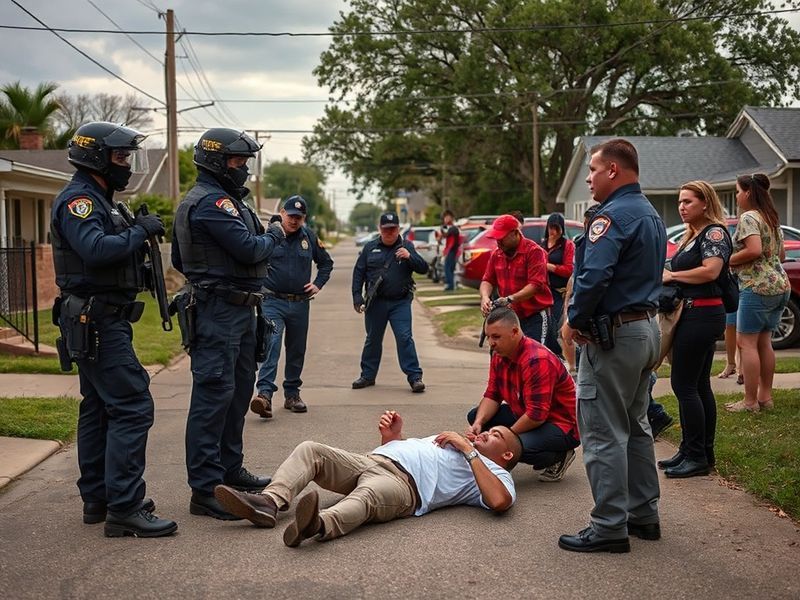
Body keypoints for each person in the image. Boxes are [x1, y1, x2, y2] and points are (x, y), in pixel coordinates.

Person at [51, 121, 176, 537]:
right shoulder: (80, 201)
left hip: (99, 317)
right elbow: (95, 249)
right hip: (98, 320)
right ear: (96, 158)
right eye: (121, 157)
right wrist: (140, 231)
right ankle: (125, 506)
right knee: (132, 405)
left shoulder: (102, 200)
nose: (126, 164)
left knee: (100, 407)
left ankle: (99, 498)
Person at [561, 138, 665, 553]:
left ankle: (608, 526)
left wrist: (575, 321)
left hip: (615, 336)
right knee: (636, 426)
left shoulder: (613, 216)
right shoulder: (650, 213)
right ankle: (644, 515)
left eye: (592, 170)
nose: (587, 178)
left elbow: (594, 277)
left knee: (604, 432)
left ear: (613, 171)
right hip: (645, 331)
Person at [172, 128, 280, 519]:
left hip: (239, 310)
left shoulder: (228, 201)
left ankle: (230, 472)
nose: (245, 169)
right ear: (218, 162)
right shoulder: (211, 202)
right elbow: (251, 248)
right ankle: (205, 490)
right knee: (213, 397)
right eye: (239, 162)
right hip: (218, 312)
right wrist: (275, 233)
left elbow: (180, 261)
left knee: (236, 395)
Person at [212, 410, 520, 546]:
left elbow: (499, 502)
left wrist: (469, 449)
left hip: (404, 488)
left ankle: (317, 525)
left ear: (506, 455)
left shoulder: (494, 473)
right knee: (312, 450)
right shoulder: (462, 447)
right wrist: (393, 438)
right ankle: (269, 502)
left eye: (495, 435)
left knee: (368, 497)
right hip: (372, 460)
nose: (485, 434)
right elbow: (417, 454)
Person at [658, 181, 730, 477]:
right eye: (679, 202)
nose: (682, 207)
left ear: (705, 202)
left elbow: (711, 270)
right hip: (695, 314)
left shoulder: (714, 232)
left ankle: (697, 455)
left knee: (684, 385)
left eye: (688, 201)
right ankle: (695, 450)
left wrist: (672, 275)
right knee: (699, 385)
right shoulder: (694, 235)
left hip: (702, 314)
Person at [466, 307, 579, 482]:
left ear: (515, 332)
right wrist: (479, 424)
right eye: (488, 336)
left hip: (561, 424)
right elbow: (492, 394)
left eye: (496, 337)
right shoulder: (499, 355)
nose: (491, 343)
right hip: (527, 412)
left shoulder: (536, 360)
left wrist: (502, 438)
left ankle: (559, 455)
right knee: (475, 416)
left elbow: (536, 416)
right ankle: (507, 445)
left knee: (507, 446)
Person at [251, 195, 334, 417]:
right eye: (291, 216)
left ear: (304, 218)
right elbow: (252, 259)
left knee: (297, 350)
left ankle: (292, 395)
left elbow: (326, 263)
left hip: (300, 303)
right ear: (283, 213)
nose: (294, 221)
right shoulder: (269, 235)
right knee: (272, 344)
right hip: (272, 301)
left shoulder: (309, 237)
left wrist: (318, 284)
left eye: (299, 217)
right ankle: (265, 395)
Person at [725, 173, 790, 412]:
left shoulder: (749, 217)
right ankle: (766, 398)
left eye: (738, 191)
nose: (737, 195)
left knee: (747, 343)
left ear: (749, 192)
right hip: (779, 285)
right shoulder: (771, 217)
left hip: (757, 286)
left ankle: (750, 401)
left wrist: (727, 260)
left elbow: (753, 249)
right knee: (764, 342)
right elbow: (780, 256)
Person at [351, 211, 428, 392]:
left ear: (398, 229)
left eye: (393, 229)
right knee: (373, 339)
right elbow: (358, 273)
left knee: (404, 338)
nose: (389, 233)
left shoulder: (406, 245)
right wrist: (356, 296)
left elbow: (423, 268)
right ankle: (367, 376)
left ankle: (415, 377)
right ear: (380, 229)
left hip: (400, 302)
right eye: (386, 229)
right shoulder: (370, 248)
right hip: (375, 303)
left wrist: (410, 256)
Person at [479, 214, 560, 355]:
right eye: (496, 238)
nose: (498, 241)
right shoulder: (497, 255)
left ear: (515, 233)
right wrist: (485, 297)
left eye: (502, 237)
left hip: (534, 316)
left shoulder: (534, 252)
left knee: (534, 358)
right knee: (501, 357)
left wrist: (510, 299)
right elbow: (487, 280)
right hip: (509, 317)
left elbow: (536, 285)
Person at [543, 213, 575, 335]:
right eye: (551, 228)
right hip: (543, 290)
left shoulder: (568, 245)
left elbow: (569, 270)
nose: (554, 232)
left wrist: (549, 267)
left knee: (555, 326)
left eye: (557, 228)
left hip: (559, 293)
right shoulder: (542, 245)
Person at [435, 209, 460, 291]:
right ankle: (452, 284)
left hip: (452, 251)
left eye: (447, 217)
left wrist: (441, 234)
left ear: (451, 218)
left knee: (447, 268)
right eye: (445, 218)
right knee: (450, 269)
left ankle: (450, 285)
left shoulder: (453, 229)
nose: (445, 219)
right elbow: (444, 236)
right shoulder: (450, 229)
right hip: (451, 251)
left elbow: (448, 239)